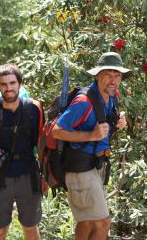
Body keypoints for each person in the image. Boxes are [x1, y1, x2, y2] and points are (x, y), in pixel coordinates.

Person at [52, 51, 131, 240]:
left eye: (117, 75)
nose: (113, 80)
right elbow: (56, 130)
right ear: (97, 75)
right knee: (103, 222)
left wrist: (117, 124)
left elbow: (101, 128)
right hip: (80, 168)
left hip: (95, 165)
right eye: (108, 75)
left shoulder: (110, 97)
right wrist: (91, 135)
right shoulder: (84, 102)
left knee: (86, 222)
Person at [0, 64, 44, 240]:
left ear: (20, 84)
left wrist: (44, 174)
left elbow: (41, 140)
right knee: (0, 229)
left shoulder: (34, 108)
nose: (8, 88)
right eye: (3, 84)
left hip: (29, 175)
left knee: (30, 227)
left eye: (12, 83)